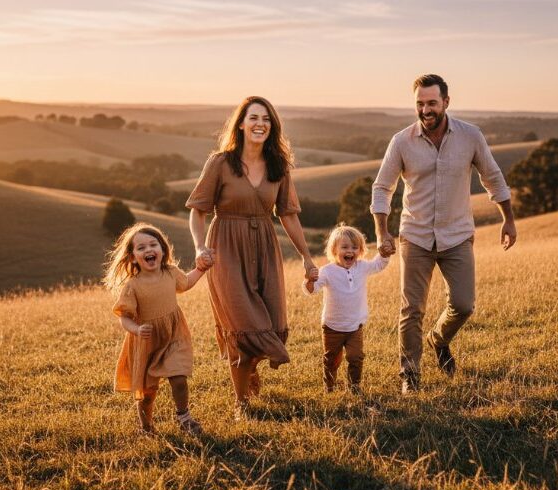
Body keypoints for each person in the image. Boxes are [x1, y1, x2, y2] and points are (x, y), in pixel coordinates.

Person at [371, 74, 517, 394]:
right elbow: (382, 188)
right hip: (416, 235)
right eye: (420, 104)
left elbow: (492, 177)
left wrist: (508, 219)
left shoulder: (470, 136)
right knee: (412, 309)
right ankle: (410, 374)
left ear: (446, 103)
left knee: (464, 305)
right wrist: (382, 232)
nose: (426, 110)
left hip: (457, 234)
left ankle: (438, 339)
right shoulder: (401, 141)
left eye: (432, 103)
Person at [186, 96, 317, 419]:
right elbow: (198, 212)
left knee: (269, 322)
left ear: (272, 127)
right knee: (243, 325)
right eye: (253, 117)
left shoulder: (278, 166)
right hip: (226, 250)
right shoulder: (220, 163)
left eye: (266, 119)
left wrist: (307, 258)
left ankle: (250, 368)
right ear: (241, 124)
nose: (260, 124)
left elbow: (288, 216)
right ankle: (241, 404)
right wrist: (200, 248)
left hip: (266, 250)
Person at [103, 222, 208, 435]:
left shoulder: (170, 272)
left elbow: (186, 283)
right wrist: (136, 329)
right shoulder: (132, 286)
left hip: (173, 334)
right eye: (141, 248)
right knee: (147, 392)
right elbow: (124, 317)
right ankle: (146, 427)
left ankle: (184, 417)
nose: (148, 250)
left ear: (162, 250)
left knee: (179, 378)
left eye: (153, 245)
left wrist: (201, 269)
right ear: (132, 257)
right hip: (147, 342)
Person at [303, 224, 389, 394]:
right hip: (332, 327)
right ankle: (329, 387)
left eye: (355, 247)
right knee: (331, 360)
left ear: (361, 250)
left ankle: (354, 386)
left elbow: (378, 265)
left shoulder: (362, 267)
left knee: (356, 357)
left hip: (354, 326)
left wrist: (384, 254)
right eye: (344, 247)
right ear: (334, 250)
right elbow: (312, 290)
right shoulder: (327, 271)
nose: (350, 251)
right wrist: (309, 281)